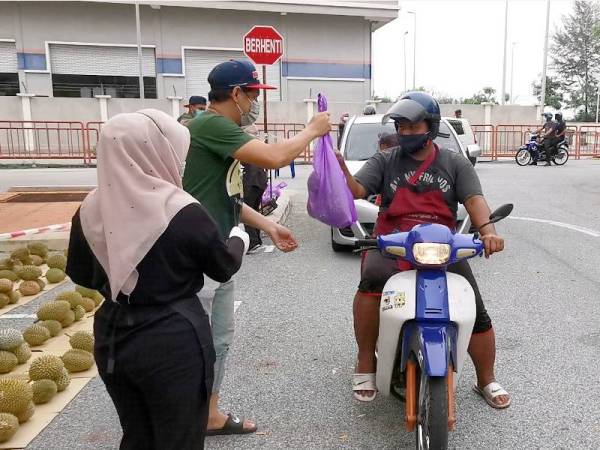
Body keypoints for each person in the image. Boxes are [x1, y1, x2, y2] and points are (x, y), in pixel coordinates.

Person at [65, 109, 249, 449]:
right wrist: (239, 237)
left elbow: (82, 275)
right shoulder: (180, 210)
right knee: (179, 436)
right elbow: (222, 267)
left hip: (112, 334)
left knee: (137, 433)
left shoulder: (90, 208)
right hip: (173, 336)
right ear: (156, 150)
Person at [183, 59, 331, 435]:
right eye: (252, 95)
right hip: (198, 254)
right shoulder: (211, 124)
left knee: (218, 338)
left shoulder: (220, 129)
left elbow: (228, 195)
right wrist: (311, 130)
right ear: (235, 94)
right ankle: (180, 420)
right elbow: (276, 157)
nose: (254, 103)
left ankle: (209, 416)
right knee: (195, 342)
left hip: (217, 253)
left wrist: (268, 224)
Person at [336, 92, 511, 409]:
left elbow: (474, 201)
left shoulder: (454, 162)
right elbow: (358, 189)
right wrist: (340, 173)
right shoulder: (386, 160)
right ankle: (365, 362)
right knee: (371, 281)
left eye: (412, 127)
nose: (404, 133)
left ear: (430, 128)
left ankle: (486, 379)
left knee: (474, 307)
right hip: (392, 240)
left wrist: (488, 233)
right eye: (401, 126)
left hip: (442, 245)